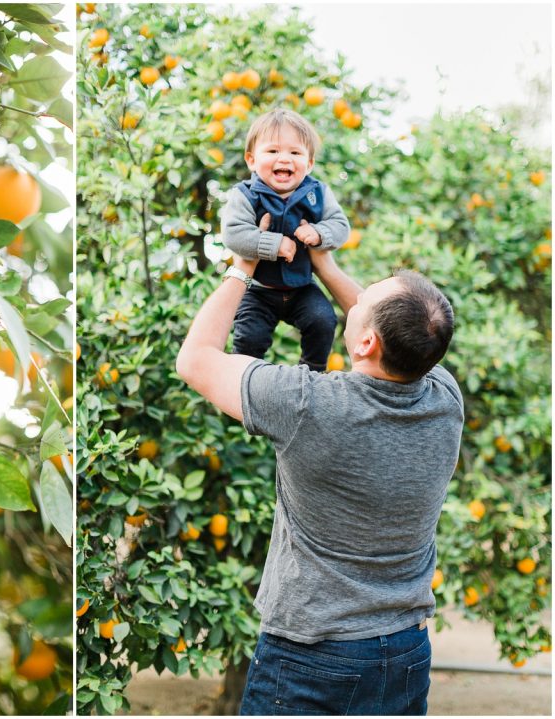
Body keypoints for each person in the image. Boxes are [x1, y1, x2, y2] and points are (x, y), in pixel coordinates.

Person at [175, 248, 463, 716]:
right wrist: (324, 263)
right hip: (406, 651)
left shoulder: (306, 405)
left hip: (313, 656)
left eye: (366, 295)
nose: (358, 293)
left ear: (366, 342)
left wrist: (242, 267)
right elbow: (397, 334)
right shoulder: (445, 397)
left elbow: (194, 360)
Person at [220, 108, 350, 372]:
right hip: (257, 290)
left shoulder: (318, 193)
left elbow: (341, 226)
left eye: (295, 153)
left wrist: (319, 233)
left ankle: (313, 370)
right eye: (273, 151)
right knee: (249, 337)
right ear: (251, 160)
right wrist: (272, 244)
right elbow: (233, 233)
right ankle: (242, 378)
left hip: (302, 287)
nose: (285, 159)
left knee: (323, 320)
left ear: (309, 163)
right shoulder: (245, 195)